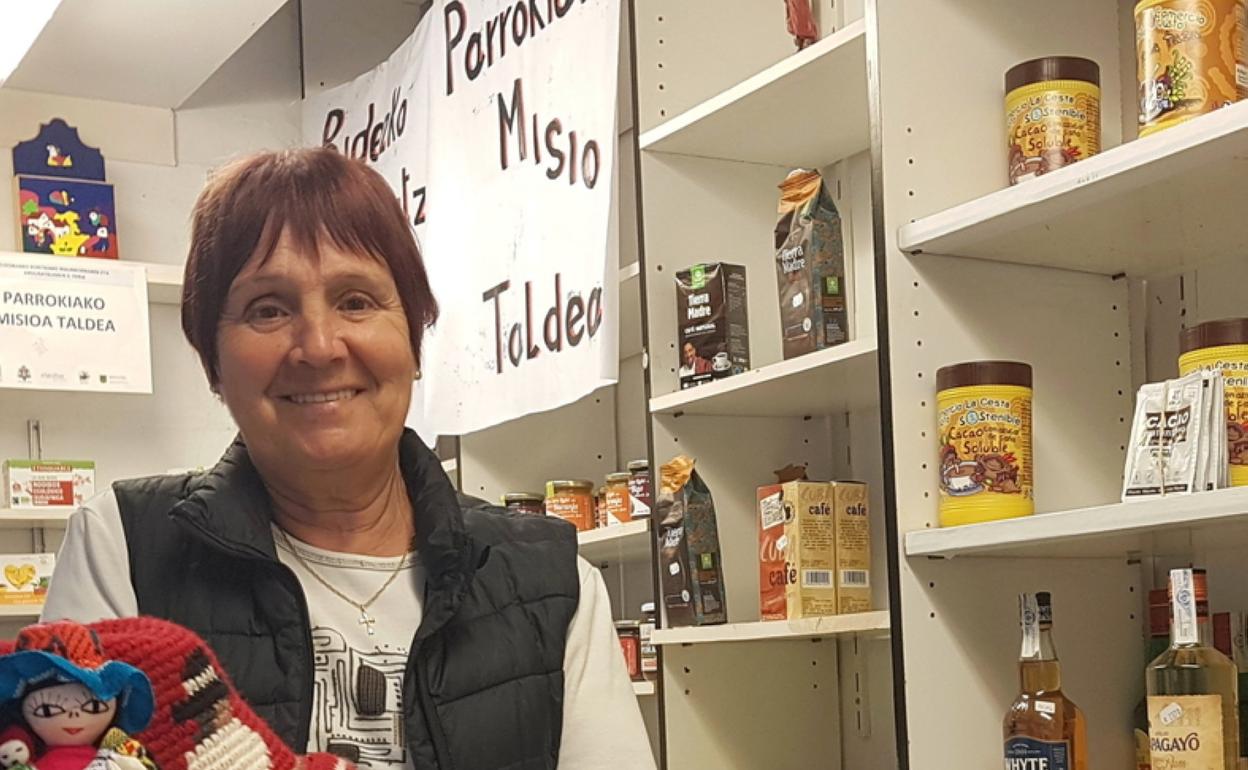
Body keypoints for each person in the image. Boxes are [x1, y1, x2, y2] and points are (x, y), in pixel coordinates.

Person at [41, 148, 655, 770]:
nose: (319, 346)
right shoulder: (125, 545)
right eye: (268, 309)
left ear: (413, 339)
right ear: (213, 362)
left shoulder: (552, 582)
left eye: (356, 301)